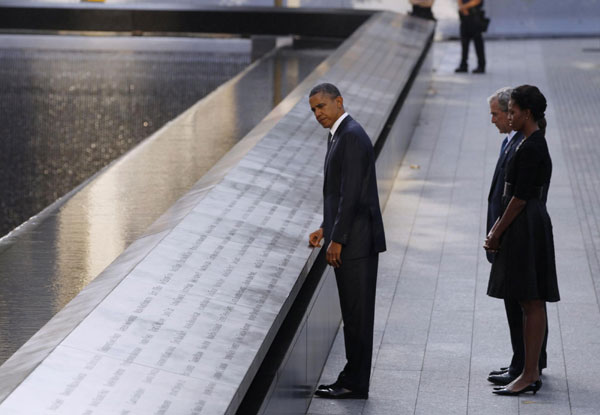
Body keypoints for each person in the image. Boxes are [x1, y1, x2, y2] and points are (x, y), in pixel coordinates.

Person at [308, 83, 386, 400]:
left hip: (356, 243)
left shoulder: (351, 136)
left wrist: (337, 239)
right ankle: (353, 378)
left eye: (322, 107)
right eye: (313, 110)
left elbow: (352, 194)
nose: (317, 114)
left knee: (357, 316)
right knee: (354, 314)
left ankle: (354, 383)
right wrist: (326, 227)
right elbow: (338, 191)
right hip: (350, 238)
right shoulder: (340, 134)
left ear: (339, 102)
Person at [484, 85, 560, 396]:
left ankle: (529, 374)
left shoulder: (531, 147)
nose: (509, 117)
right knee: (528, 300)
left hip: (526, 226)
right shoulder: (529, 142)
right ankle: (527, 371)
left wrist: (496, 231)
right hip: (527, 225)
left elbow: (519, 198)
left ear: (527, 113)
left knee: (531, 300)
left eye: (513, 112)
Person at [455, 0, 486, 74]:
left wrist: (464, 7)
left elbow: (477, 1)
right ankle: (463, 65)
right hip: (464, 17)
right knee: (464, 42)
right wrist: (462, 8)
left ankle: (481, 65)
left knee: (478, 42)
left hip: (474, 16)